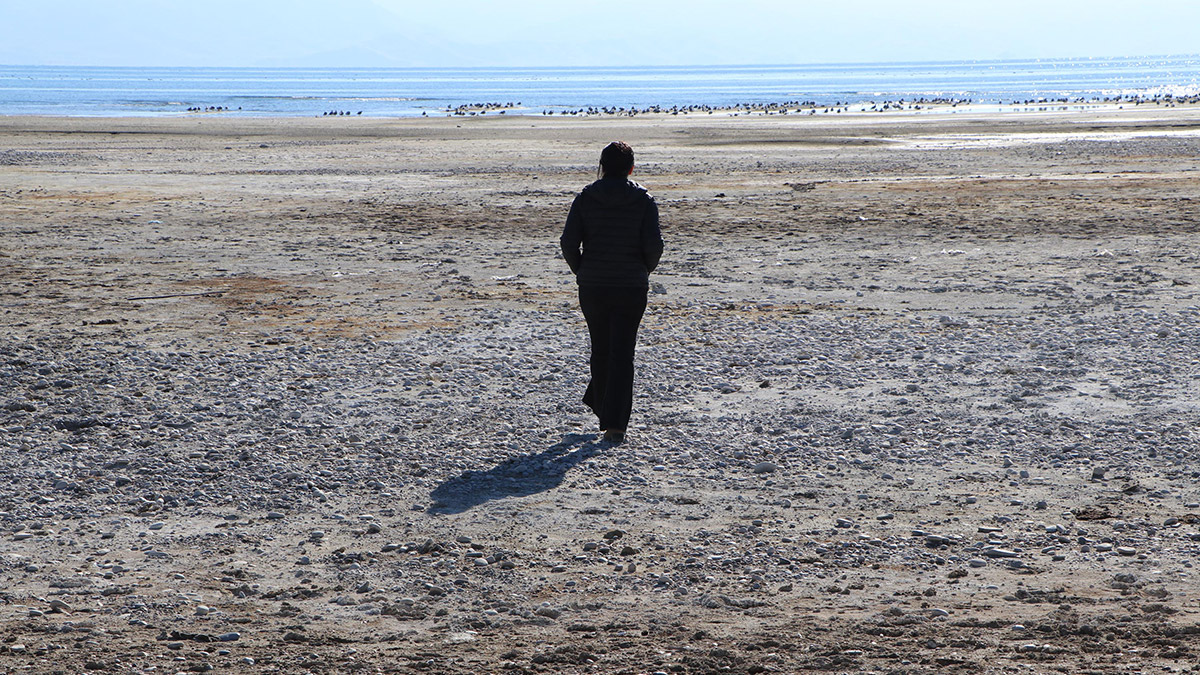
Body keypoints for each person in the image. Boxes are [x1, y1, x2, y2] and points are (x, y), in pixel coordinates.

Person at [560, 141, 664, 444]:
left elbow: (568, 243)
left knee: (601, 348)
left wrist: (582, 270)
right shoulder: (643, 199)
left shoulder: (586, 198)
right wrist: (644, 269)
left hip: (594, 285)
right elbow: (654, 246)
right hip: (630, 285)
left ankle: (605, 408)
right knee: (622, 353)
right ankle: (615, 424)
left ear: (602, 166)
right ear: (631, 168)